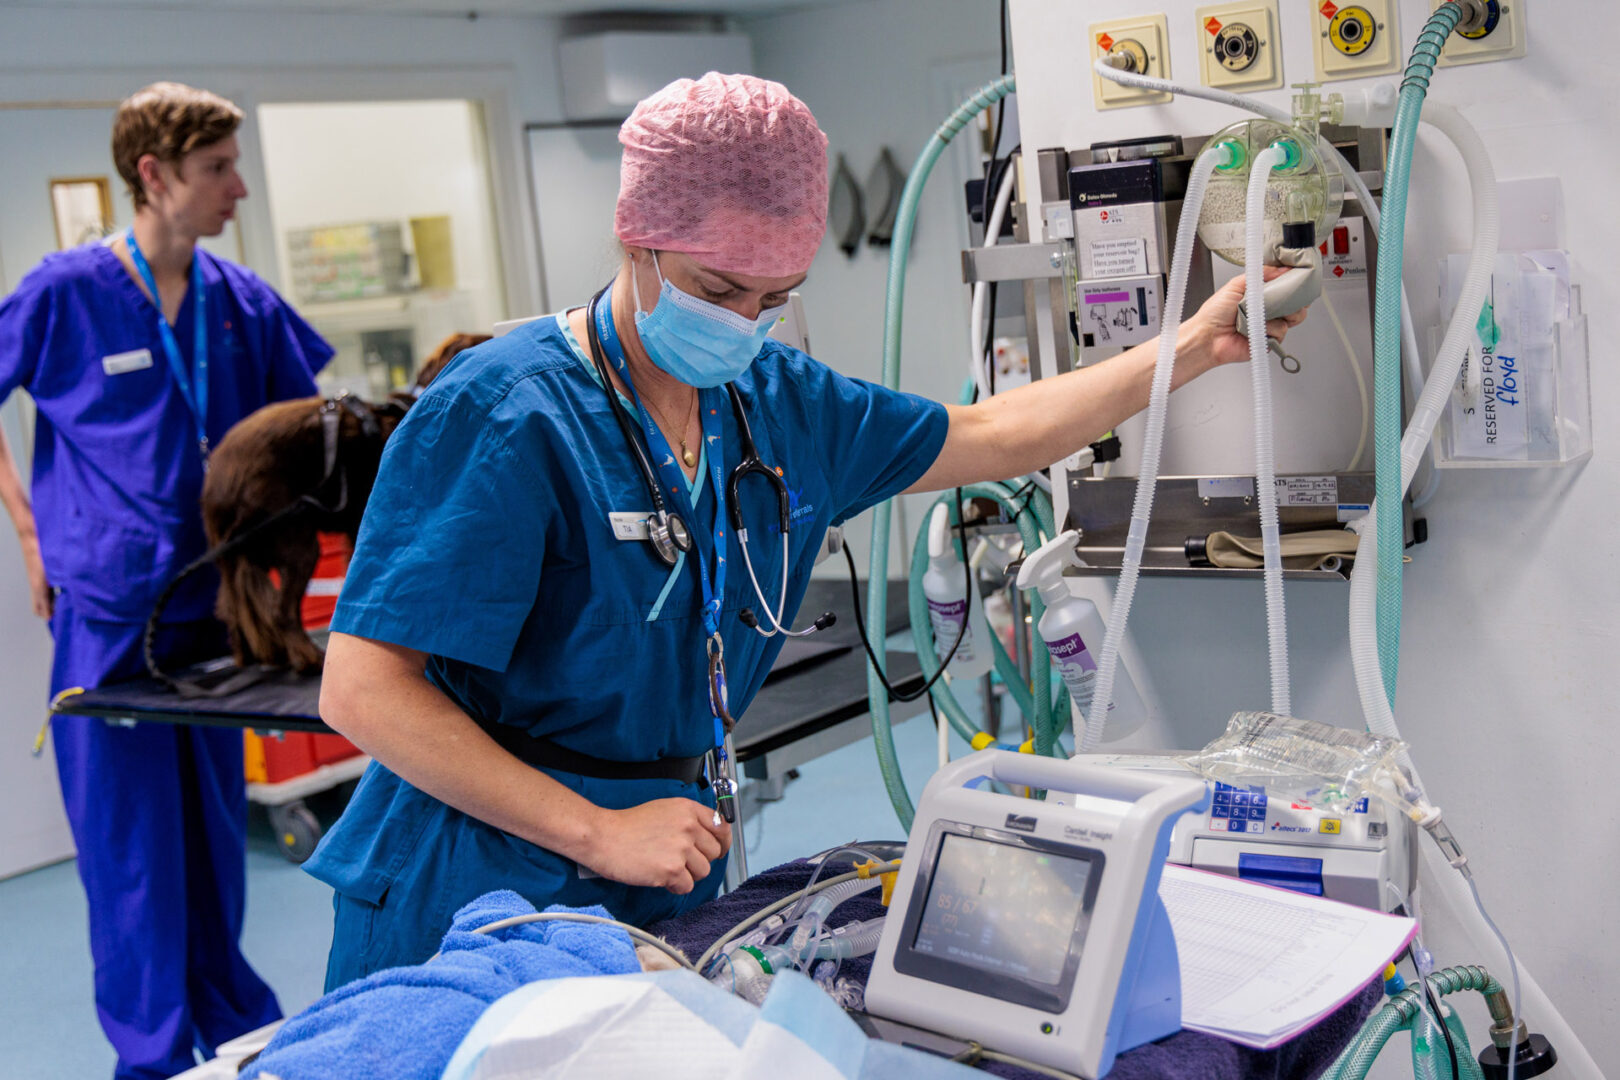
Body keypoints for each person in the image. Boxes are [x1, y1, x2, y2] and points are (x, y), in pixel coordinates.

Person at [308, 72, 1306, 988]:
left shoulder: (775, 401)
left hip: (663, 861)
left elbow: (990, 433)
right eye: (717, 292)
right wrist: (597, 833)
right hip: (477, 886)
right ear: (633, 237)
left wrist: (1187, 348)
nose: (744, 324)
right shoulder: (506, 413)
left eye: (774, 300)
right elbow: (364, 690)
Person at [0, 82, 333, 1080]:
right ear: (153, 174)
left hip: (215, 611)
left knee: (213, 845)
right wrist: (25, 528)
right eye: (217, 168)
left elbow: (306, 428)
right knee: (132, 854)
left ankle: (234, 1031)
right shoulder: (63, 294)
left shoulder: (242, 302)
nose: (238, 188)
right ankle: (149, 1058)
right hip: (110, 614)